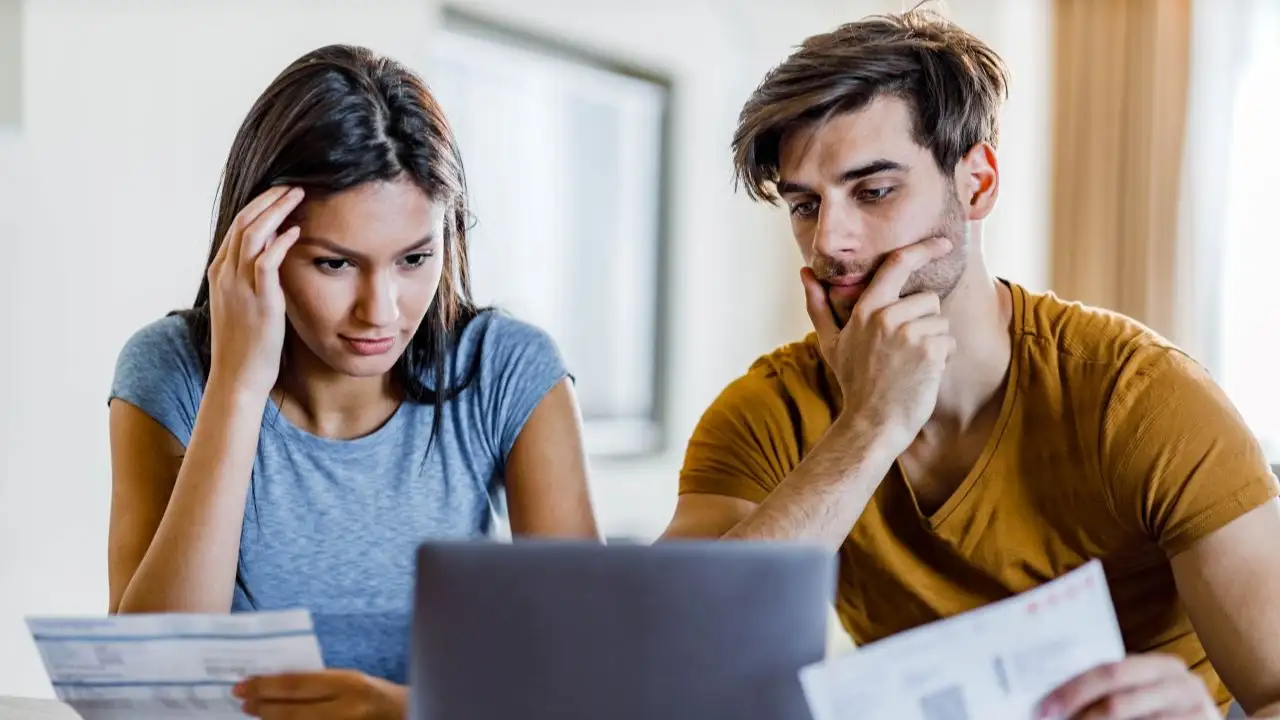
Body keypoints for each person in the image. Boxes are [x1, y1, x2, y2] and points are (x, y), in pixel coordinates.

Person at [662, 7, 1280, 719]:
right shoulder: (768, 412)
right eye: (805, 205)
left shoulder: (1142, 398)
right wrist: (870, 425)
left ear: (977, 184)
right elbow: (676, 663)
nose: (831, 243)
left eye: (874, 192)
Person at [107, 44, 600, 719]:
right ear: (259, 243)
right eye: (336, 264)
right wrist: (238, 387)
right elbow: (144, 682)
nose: (382, 310)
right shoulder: (171, 370)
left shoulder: (507, 371)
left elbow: (595, 669)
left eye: (414, 259)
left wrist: (404, 711)